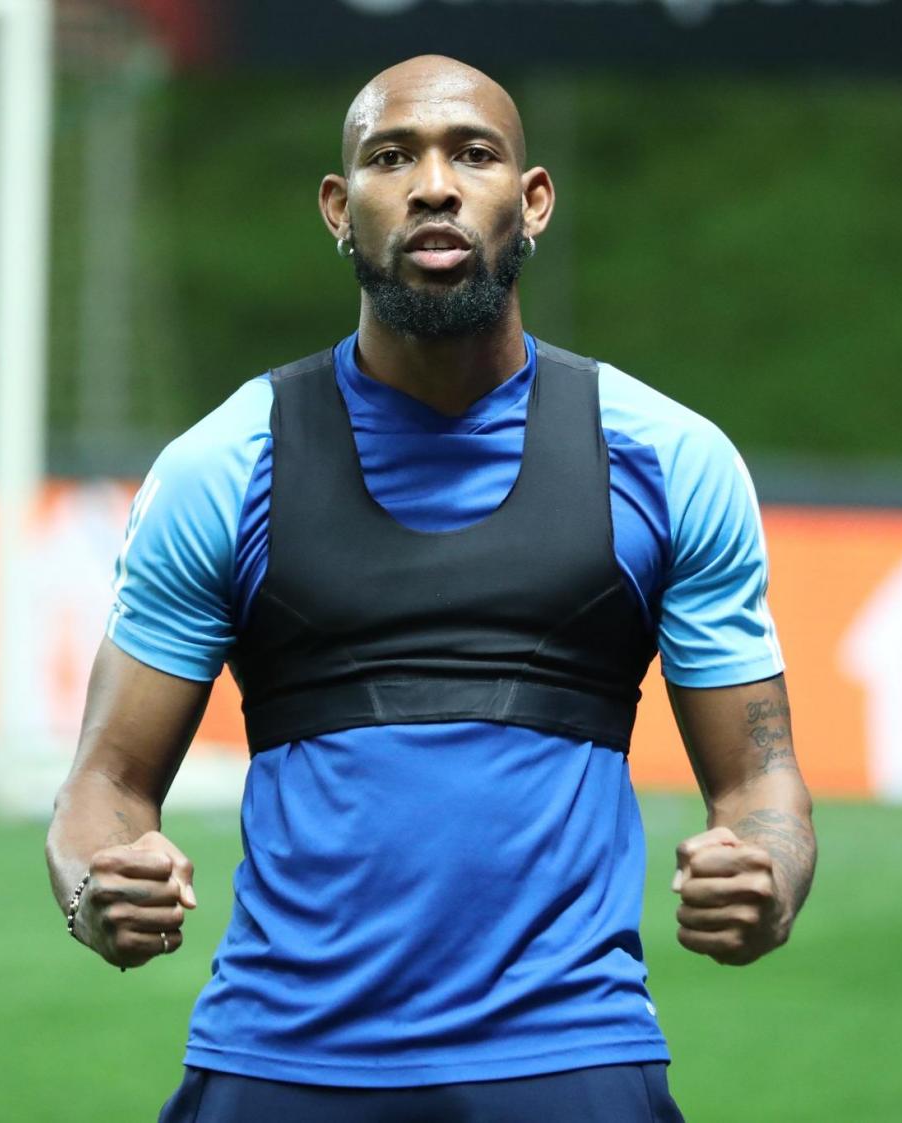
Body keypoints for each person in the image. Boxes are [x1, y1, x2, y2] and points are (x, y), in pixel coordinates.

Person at [45, 54, 817, 1123]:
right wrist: (96, 885)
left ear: (532, 200)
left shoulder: (665, 460)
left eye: (473, 154)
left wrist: (767, 872)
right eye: (391, 157)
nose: (434, 185)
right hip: (281, 1057)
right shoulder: (224, 465)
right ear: (338, 207)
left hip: (567, 1054)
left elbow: (760, 785)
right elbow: (106, 783)